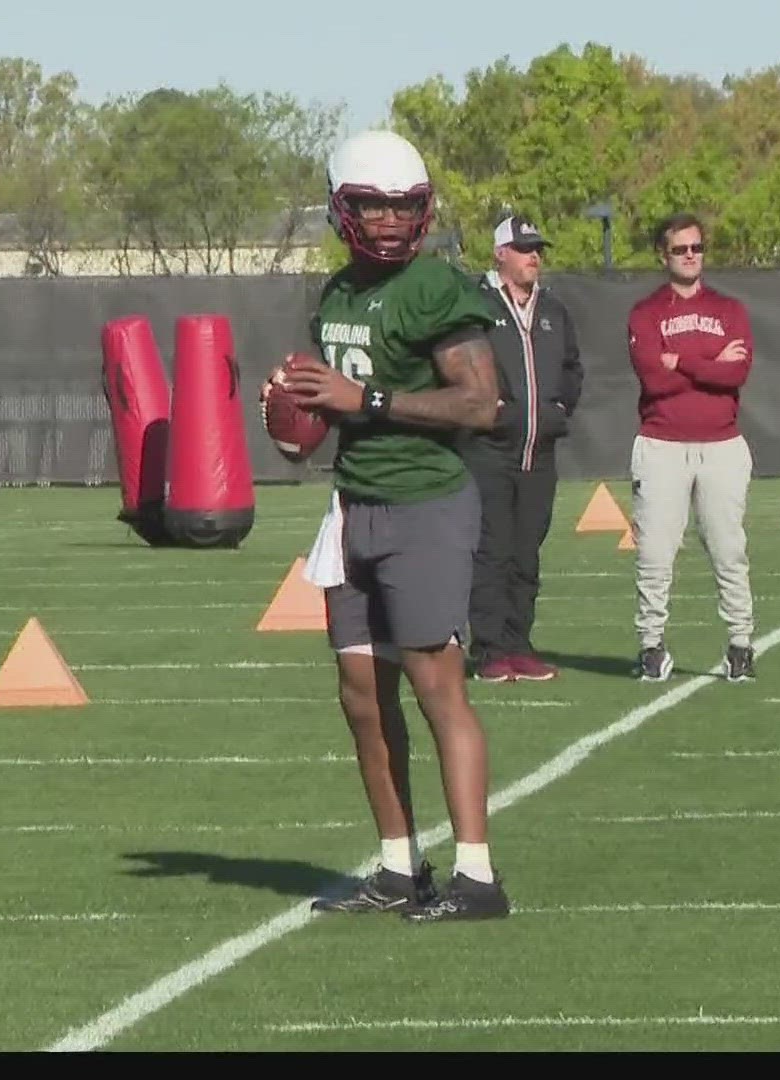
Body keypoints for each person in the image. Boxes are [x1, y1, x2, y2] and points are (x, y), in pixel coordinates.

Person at [278, 129, 511, 923]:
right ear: (343, 209)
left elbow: (481, 405)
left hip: (424, 506)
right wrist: (296, 423)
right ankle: (397, 866)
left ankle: (476, 876)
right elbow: (327, 409)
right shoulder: (339, 294)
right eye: (372, 205)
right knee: (361, 696)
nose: (387, 221)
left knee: (437, 688)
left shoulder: (436, 288)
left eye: (402, 206)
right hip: (354, 506)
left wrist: (367, 403)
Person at [625, 212, 756, 683]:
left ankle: (741, 645)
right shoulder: (646, 312)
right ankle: (650, 647)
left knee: (728, 550)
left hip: (722, 446)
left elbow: (736, 374)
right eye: (681, 249)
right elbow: (653, 379)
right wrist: (708, 363)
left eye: (697, 248)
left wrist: (681, 359)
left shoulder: (730, 310)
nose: (690, 256)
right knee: (655, 554)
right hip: (661, 446)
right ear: (664, 255)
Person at [463, 214, 583, 683]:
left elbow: (572, 368)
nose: (534, 256)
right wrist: (486, 407)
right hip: (489, 450)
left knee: (527, 551)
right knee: (492, 550)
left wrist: (559, 407)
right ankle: (489, 649)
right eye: (524, 248)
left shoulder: (553, 310)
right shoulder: (476, 305)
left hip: (540, 448)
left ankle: (519, 643)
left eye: (537, 248)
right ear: (500, 254)